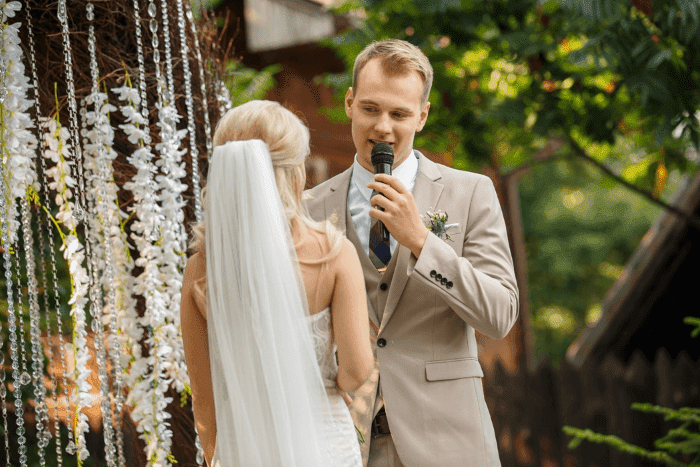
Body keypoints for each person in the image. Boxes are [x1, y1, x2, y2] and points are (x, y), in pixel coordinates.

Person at [303, 39, 519, 466]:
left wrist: (422, 240)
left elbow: (499, 316)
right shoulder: (309, 208)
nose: (383, 127)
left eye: (399, 114)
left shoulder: (471, 192)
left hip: (449, 441)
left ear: (421, 115)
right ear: (348, 103)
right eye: (370, 109)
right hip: (347, 441)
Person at [180, 100, 374, 467]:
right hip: (325, 440)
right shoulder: (333, 253)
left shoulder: (201, 269)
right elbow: (357, 369)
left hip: (244, 447)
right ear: (296, 175)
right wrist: (330, 389)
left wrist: (220, 456)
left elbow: (204, 403)